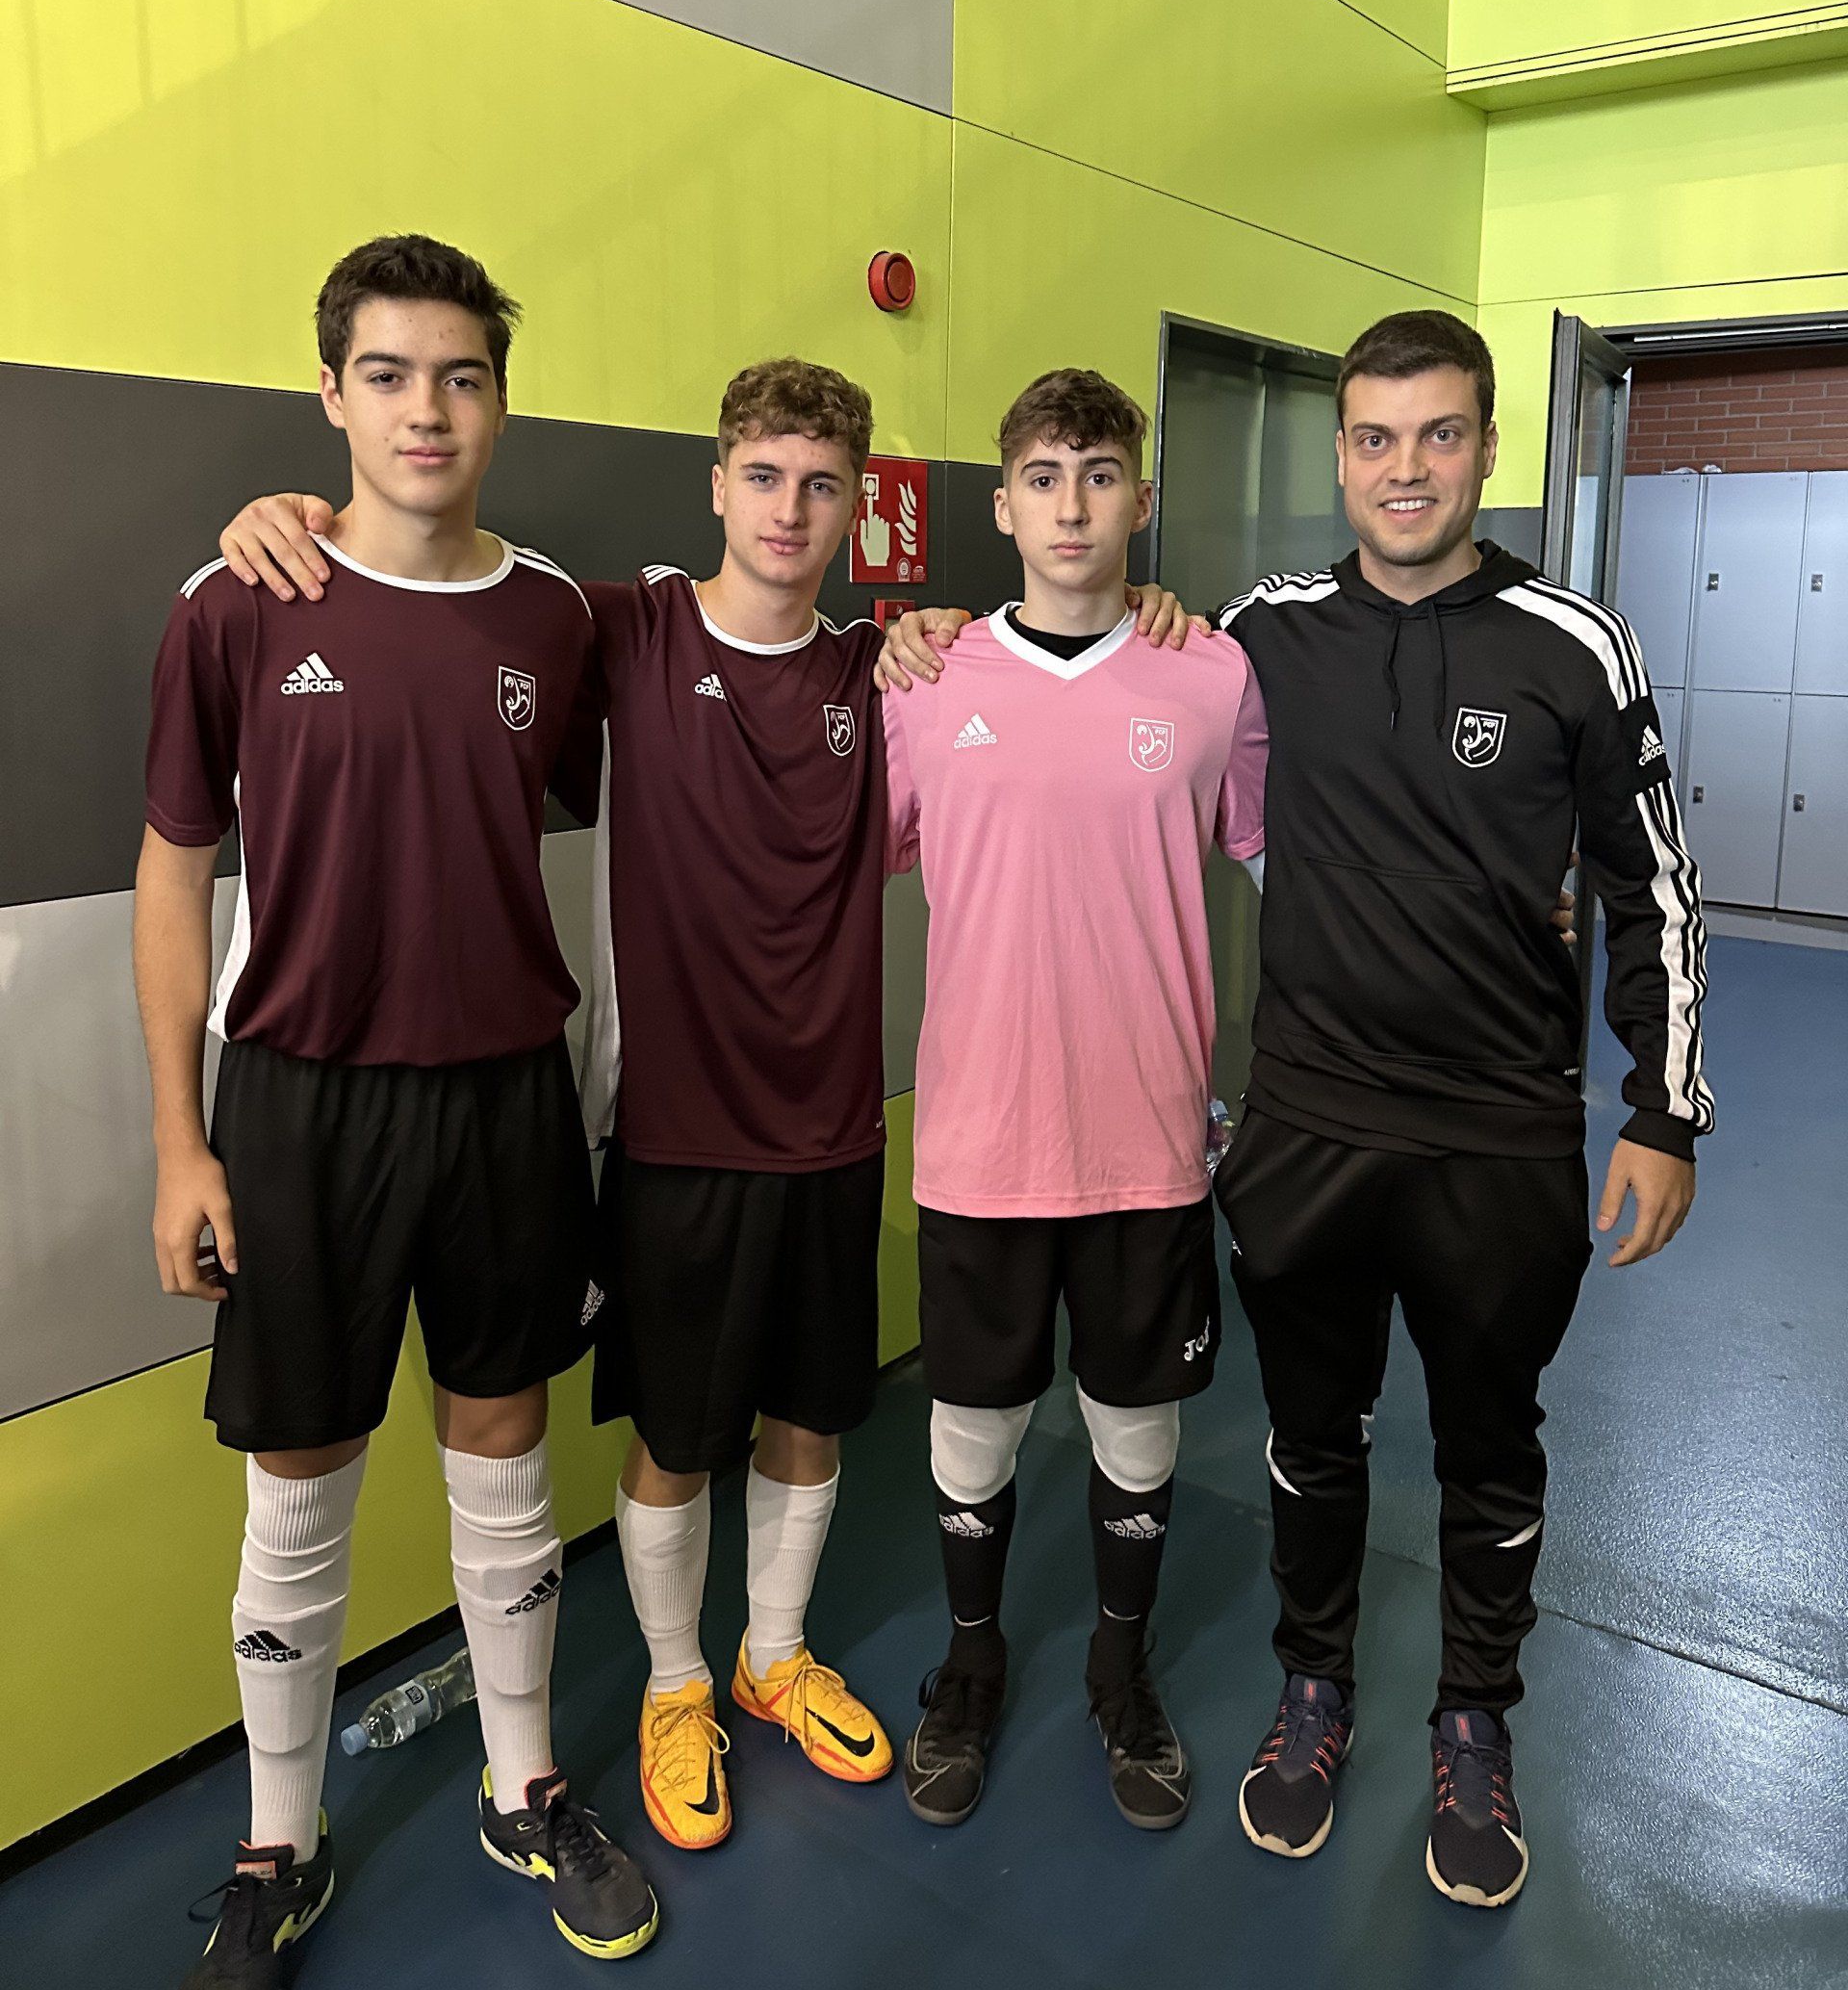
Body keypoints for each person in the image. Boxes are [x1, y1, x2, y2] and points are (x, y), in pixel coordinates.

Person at [213, 361, 1200, 1861]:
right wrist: (296, 518)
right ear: (717, 485)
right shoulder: (622, 631)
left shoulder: (892, 668)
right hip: (671, 1130)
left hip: (835, 1129)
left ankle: (773, 1656)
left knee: (811, 1418)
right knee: (677, 1435)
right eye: (764, 477)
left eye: (822, 485)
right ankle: (678, 1683)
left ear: (857, 507)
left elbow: (1041, 669)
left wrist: (1132, 612)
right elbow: (439, 584)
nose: (790, 510)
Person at [139, 236, 656, 1990]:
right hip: (302, 1106)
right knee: (302, 1479)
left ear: (499, 402)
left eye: (462, 376)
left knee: (504, 1451)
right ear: (331, 394)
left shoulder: (558, 620)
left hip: (507, 1096)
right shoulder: (237, 599)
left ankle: (525, 1789)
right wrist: (179, 1140)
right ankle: (275, 1850)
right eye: (389, 374)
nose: (427, 409)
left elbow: (728, 672)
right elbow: (172, 875)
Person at [1212, 309, 1708, 1909]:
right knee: (1313, 1437)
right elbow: (1103, 684)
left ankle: (1474, 1719)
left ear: (1489, 446)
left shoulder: (1576, 643)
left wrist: (1664, 1111)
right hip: (1307, 1124)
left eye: (1439, 434)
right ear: (1339, 453)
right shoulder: (1260, 632)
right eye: (1375, 437)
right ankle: (1314, 1688)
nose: (1406, 469)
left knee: (1492, 1445)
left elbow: (1652, 884)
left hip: (1499, 1134)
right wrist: (928, 641)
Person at [881, 369, 1268, 1830]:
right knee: (972, 1423)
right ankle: (971, 1665)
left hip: (1147, 1139)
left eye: (1100, 474)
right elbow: (847, 849)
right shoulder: (927, 682)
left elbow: (1288, 860)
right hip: (981, 1137)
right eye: (1043, 476)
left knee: (1134, 1420)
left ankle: (1120, 1667)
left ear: (1141, 500)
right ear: (1001, 505)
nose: (1072, 504)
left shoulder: (1212, 677)